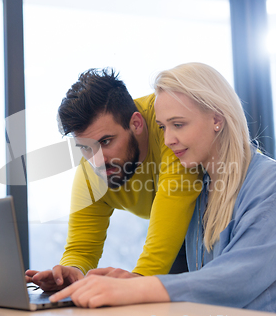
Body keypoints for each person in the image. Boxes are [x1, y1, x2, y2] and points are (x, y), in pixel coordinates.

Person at [49, 62, 276, 316]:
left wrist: (135, 287)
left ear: (217, 119)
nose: (169, 140)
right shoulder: (203, 194)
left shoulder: (270, 182)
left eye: (178, 125)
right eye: (161, 128)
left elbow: (236, 280)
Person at [26, 69, 201, 291]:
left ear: (136, 124)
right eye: (86, 147)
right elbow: (81, 249)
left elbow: (176, 198)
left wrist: (137, 280)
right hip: (181, 238)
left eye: (106, 141)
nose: (97, 160)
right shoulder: (92, 171)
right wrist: (69, 273)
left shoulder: (168, 129)